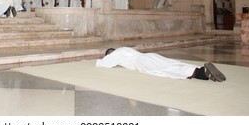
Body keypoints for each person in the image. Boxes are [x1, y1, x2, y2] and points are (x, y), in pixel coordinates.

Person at [96, 47, 226, 82]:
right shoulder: (124, 49)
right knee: (170, 63)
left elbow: (104, 63)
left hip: (142, 63)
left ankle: (200, 74)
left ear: (110, 53)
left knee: (165, 70)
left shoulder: (115, 54)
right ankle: (200, 70)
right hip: (148, 56)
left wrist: (99, 61)